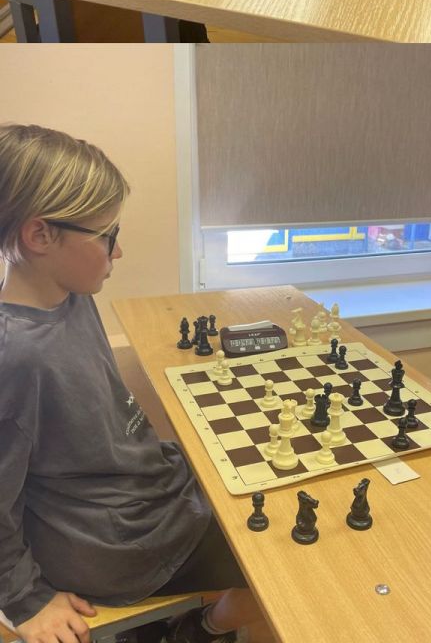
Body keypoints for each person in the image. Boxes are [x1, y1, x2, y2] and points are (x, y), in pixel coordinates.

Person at [0, 124, 268, 643]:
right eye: (108, 235)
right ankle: (199, 631)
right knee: (297, 550)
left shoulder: (70, 293)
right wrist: (25, 599)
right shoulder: (15, 355)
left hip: (142, 491)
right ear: (40, 236)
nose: (118, 252)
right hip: (119, 543)